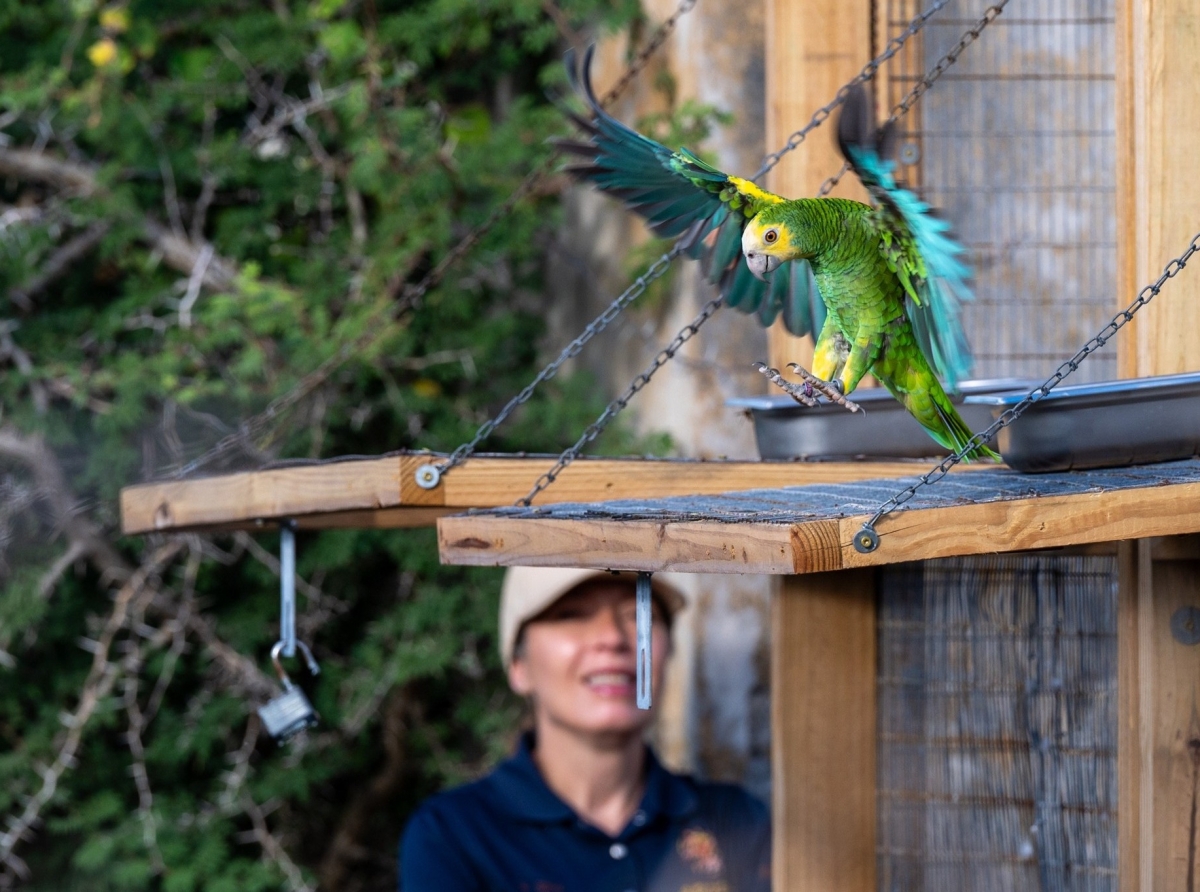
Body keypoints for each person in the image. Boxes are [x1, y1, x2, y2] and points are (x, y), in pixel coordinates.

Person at [399, 566, 771, 892]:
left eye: (637, 614)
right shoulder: (453, 837)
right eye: (572, 614)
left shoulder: (737, 821)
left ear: (669, 651)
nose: (612, 638)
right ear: (518, 664)